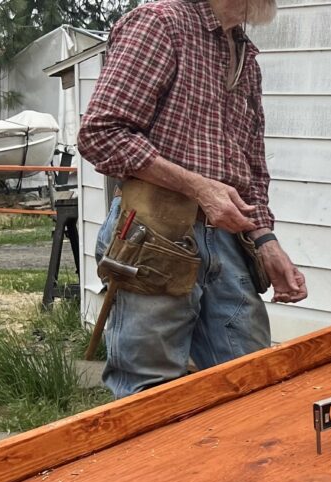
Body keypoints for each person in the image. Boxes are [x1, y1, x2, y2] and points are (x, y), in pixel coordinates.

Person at [79, 0, 307, 399]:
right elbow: (100, 134)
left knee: (251, 381)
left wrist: (266, 241)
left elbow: (250, 167)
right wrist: (198, 187)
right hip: (154, 233)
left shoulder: (243, 53)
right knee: (148, 394)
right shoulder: (161, 24)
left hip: (227, 240)